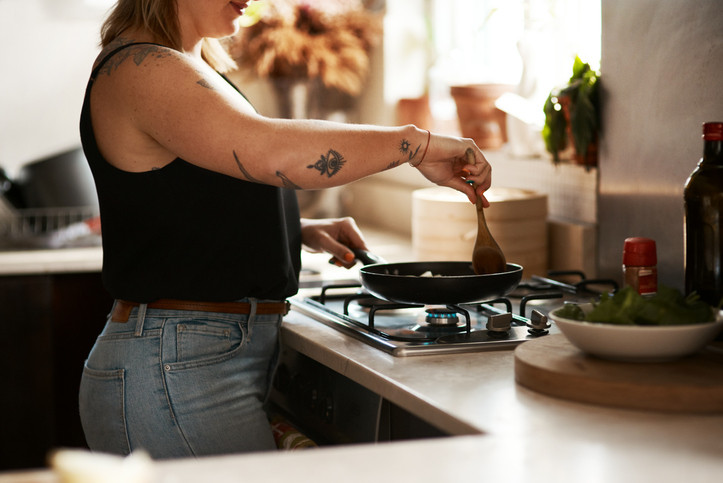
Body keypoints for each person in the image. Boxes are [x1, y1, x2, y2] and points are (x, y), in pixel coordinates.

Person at [78, 0, 492, 460]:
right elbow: (270, 152)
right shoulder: (145, 66)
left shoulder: (180, 62)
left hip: (190, 360)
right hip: (175, 370)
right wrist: (416, 144)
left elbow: (182, 193)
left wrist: (296, 228)